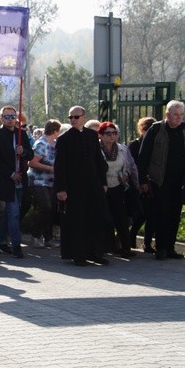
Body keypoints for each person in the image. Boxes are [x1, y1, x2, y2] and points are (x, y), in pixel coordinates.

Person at [54, 106, 110, 266]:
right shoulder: (64, 139)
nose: (73, 120)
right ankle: (78, 254)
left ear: (83, 117)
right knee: (77, 221)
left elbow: (99, 160)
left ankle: (96, 253)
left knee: (95, 219)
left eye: (76, 117)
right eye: (70, 117)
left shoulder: (92, 136)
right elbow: (60, 166)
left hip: (93, 184)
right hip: (73, 187)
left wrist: (103, 182)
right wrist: (61, 189)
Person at [137, 100, 185, 260]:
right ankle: (161, 248)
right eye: (175, 115)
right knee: (161, 212)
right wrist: (143, 180)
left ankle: (171, 248)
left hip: (179, 180)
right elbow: (143, 155)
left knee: (175, 214)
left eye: (181, 115)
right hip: (159, 180)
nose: (178, 118)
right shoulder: (156, 129)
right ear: (167, 114)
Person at [0, 106, 34, 259]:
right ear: (1, 118)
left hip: (22, 179)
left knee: (13, 212)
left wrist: (24, 152)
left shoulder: (22, 134)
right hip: (7, 180)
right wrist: (10, 173)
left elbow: (30, 154)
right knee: (13, 213)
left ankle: (0, 240)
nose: (10, 119)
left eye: (13, 116)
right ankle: (16, 245)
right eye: (6, 116)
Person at [98, 121, 139, 259]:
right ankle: (105, 247)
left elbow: (130, 166)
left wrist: (126, 176)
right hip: (101, 188)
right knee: (105, 218)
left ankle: (125, 248)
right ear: (101, 135)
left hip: (118, 186)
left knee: (121, 218)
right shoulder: (96, 149)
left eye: (114, 133)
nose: (112, 136)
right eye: (108, 133)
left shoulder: (123, 149)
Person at [27, 119, 61, 248]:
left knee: (51, 209)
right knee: (45, 207)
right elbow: (32, 162)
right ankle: (35, 235)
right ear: (55, 131)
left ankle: (48, 237)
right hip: (38, 181)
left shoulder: (55, 143)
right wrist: (50, 168)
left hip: (51, 182)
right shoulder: (41, 144)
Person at [127, 116, 156, 253]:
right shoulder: (134, 145)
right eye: (146, 129)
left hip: (153, 183)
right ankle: (131, 236)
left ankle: (147, 243)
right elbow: (133, 166)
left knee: (152, 214)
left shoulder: (156, 145)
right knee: (141, 214)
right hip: (138, 184)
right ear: (141, 130)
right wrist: (139, 182)